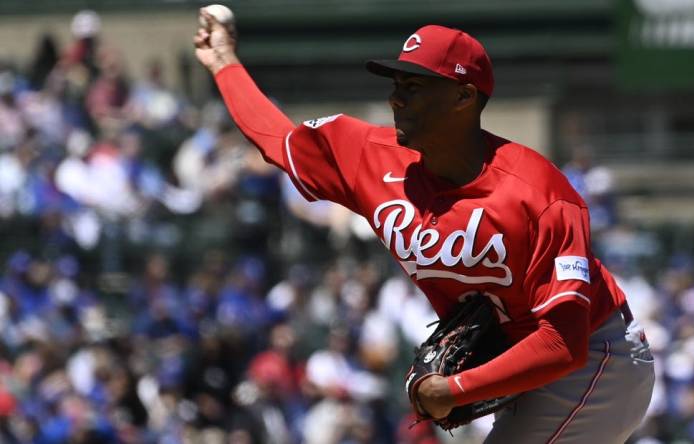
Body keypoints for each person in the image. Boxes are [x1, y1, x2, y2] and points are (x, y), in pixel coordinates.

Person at [194, 11, 655, 443]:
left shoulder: (540, 193)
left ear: (463, 96)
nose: (396, 97)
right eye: (396, 83)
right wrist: (224, 63)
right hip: (524, 365)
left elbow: (564, 341)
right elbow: (278, 141)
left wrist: (453, 390)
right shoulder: (368, 156)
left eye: (415, 85)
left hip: (597, 360)